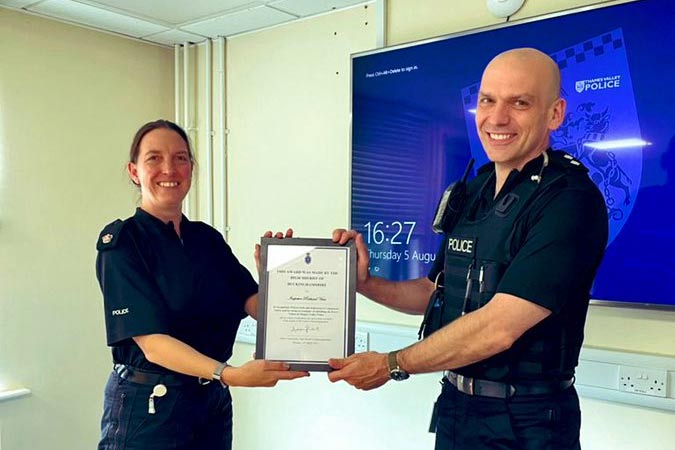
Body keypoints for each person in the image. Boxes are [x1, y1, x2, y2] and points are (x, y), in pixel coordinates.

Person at [328, 48, 608, 450]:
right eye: (487, 101)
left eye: (520, 103)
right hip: (456, 409)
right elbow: (433, 292)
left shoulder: (569, 200)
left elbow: (499, 326)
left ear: (555, 114)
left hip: (528, 424)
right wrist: (362, 283)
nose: (497, 118)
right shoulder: (472, 191)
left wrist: (391, 365)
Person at [95, 119, 308, 450]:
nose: (170, 168)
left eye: (181, 158)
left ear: (191, 169)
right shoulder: (123, 242)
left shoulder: (206, 239)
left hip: (210, 402)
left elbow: (253, 303)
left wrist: (278, 279)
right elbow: (153, 343)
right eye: (154, 158)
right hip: (150, 407)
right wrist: (231, 374)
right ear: (134, 171)